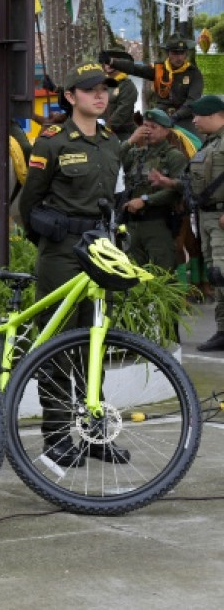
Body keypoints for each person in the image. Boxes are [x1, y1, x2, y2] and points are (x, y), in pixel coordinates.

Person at [18, 61, 130, 467]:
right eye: (90, 89)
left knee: (94, 344)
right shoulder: (52, 142)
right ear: (70, 96)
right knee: (57, 344)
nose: (100, 95)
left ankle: (94, 433)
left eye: (105, 89)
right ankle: (56, 436)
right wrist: (51, 242)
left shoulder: (111, 142)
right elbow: (29, 204)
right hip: (62, 251)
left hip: (101, 249)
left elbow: (118, 198)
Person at [150, 95, 224, 351]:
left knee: (222, 273)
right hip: (207, 217)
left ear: (215, 115)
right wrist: (168, 183)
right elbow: (197, 182)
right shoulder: (209, 143)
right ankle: (222, 331)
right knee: (216, 277)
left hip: (221, 219)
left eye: (199, 115)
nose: (194, 120)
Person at [119, 108, 188, 272]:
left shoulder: (174, 156)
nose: (148, 130)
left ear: (166, 131)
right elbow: (112, 160)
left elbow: (178, 189)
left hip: (158, 222)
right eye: (145, 126)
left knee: (162, 271)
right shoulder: (136, 154)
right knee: (133, 273)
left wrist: (146, 200)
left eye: (153, 127)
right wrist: (130, 141)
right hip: (132, 223)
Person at [100, 34, 204, 135]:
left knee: (196, 142)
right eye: (175, 53)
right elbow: (134, 68)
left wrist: (177, 116)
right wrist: (112, 61)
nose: (179, 57)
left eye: (182, 53)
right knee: (142, 136)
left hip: (184, 118)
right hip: (159, 113)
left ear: (186, 54)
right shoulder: (159, 69)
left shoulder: (194, 73)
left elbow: (192, 100)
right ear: (168, 53)